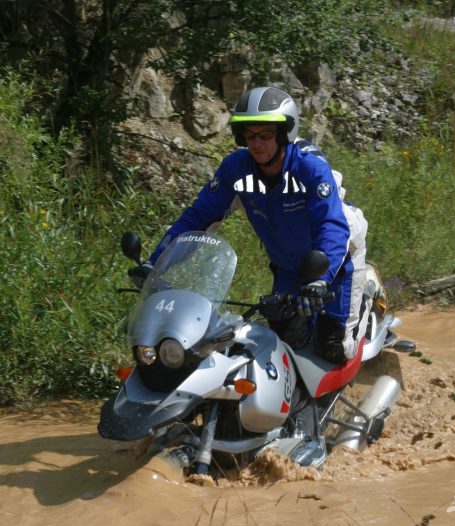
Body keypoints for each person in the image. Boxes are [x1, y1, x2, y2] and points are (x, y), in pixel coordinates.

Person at [130, 86, 370, 365]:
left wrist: (320, 278)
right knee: (284, 343)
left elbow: (331, 224)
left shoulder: (309, 167)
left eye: (266, 135)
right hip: (289, 264)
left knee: (334, 347)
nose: (256, 144)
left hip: (336, 258)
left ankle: (365, 300)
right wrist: (156, 263)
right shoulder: (236, 169)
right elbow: (198, 218)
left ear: (283, 135)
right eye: (249, 135)